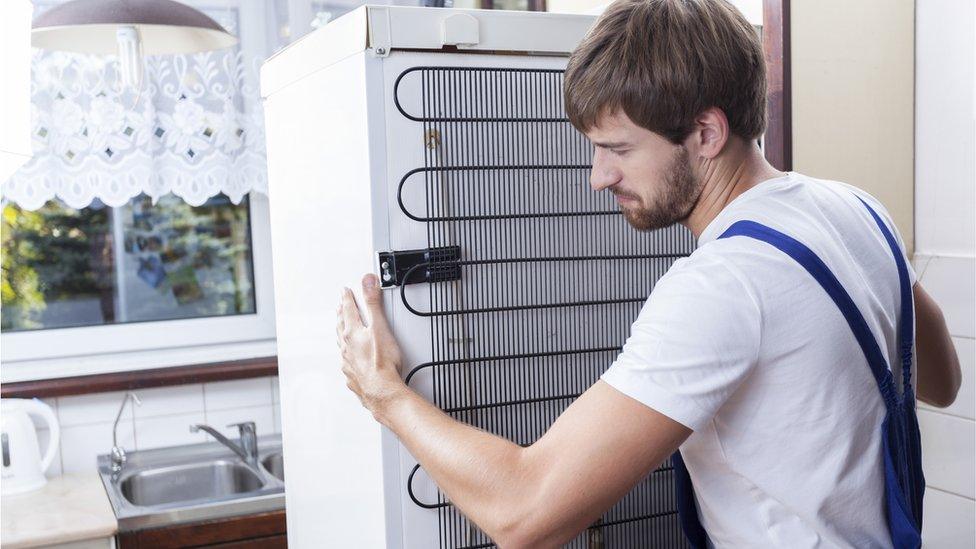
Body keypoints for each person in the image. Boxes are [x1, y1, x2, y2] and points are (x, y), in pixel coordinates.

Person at [336, 0, 962, 546]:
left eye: (618, 149)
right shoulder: (855, 208)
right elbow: (940, 380)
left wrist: (383, 392)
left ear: (706, 133)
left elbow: (524, 515)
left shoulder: (723, 284)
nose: (598, 176)